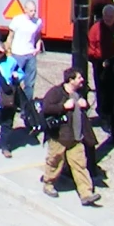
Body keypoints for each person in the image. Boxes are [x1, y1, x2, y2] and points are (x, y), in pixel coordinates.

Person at [39, 68, 99, 206]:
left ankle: (86, 193)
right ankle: (48, 184)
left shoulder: (79, 93)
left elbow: (81, 111)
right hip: (59, 136)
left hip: (76, 137)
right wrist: (63, 106)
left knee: (80, 165)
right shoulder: (56, 92)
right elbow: (46, 108)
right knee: (55, 161)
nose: (82, 80)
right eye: (79, 78)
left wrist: (85, 105)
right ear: (70, 80)